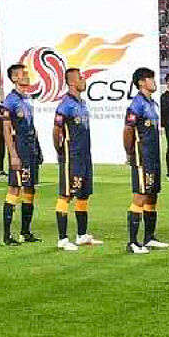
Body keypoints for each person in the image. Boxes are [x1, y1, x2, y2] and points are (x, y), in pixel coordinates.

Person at [52, 68, 102, 251]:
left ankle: (81, 235)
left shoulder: (82, 103)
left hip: (85, 156)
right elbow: (56, 130)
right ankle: (62, 239)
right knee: (66, 194)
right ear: (72, 82)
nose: (84, 80)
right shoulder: (65, 104)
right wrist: (61, 151)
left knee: (83, 194)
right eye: (81, 77)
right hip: (71, 157)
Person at [123, 67, 168, 254]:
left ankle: (149, 238)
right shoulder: (136, 105)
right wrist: (130, 153)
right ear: (142, 82)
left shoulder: (153, 104)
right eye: (151, 78)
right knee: (140, 195)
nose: (154, 82)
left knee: (152, 194)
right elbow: (127, 131)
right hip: (142, 157)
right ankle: (132, 242)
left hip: (154, 156)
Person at [1, 63, 43, 246]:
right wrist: (13, 155)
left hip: (31, 150)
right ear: (14, 78)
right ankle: (6, 235)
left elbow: (31, 126)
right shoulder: (10, 100)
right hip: (20, 151)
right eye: (22, 74)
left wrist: (38, 148)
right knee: (14, 189)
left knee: (30, 189)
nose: (26, 76)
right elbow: (6, 129)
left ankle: (25, 232)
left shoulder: (26, 99)